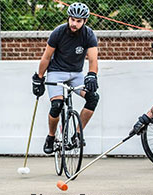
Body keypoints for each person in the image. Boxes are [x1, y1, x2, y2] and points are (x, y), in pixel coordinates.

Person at [31, 2, 99, 154]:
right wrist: (39, 77)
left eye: (79, 21)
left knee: (93, 98)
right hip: (56, 72)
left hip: (76, 74)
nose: (74, 23)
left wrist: (92, 75)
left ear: (85, 21)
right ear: (68, 18)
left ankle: (77, 135)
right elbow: (46, 57)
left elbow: (93, 59)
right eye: (72, 19)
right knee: (57, 105)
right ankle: (51, 136)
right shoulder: (58, 32)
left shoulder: (89, 35)